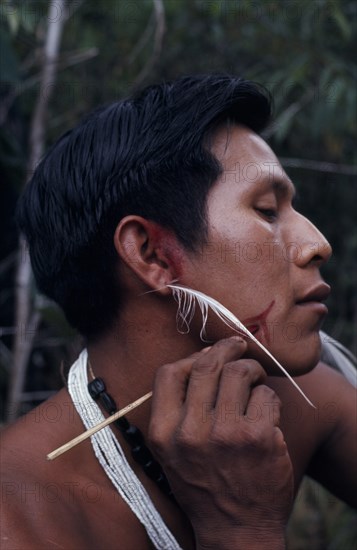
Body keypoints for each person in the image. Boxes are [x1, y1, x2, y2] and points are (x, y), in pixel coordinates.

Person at [1, 74, 356, 549]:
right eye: (268, 211)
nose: (317, 244)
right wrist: (242, 530)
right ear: (152, 254)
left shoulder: (296, 400)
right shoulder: (20, 517)